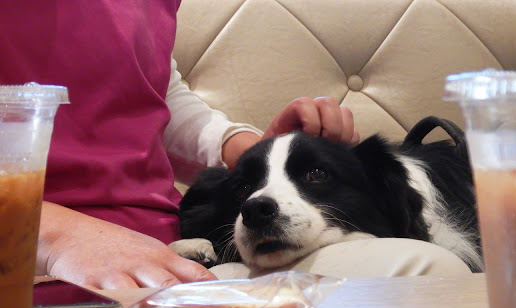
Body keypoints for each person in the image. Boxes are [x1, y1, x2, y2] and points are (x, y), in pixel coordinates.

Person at [0, 2, 358, 290]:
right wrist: (57, 235)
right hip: (26, 266)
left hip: (168, 250)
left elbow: (148, 86)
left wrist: (250, 152)